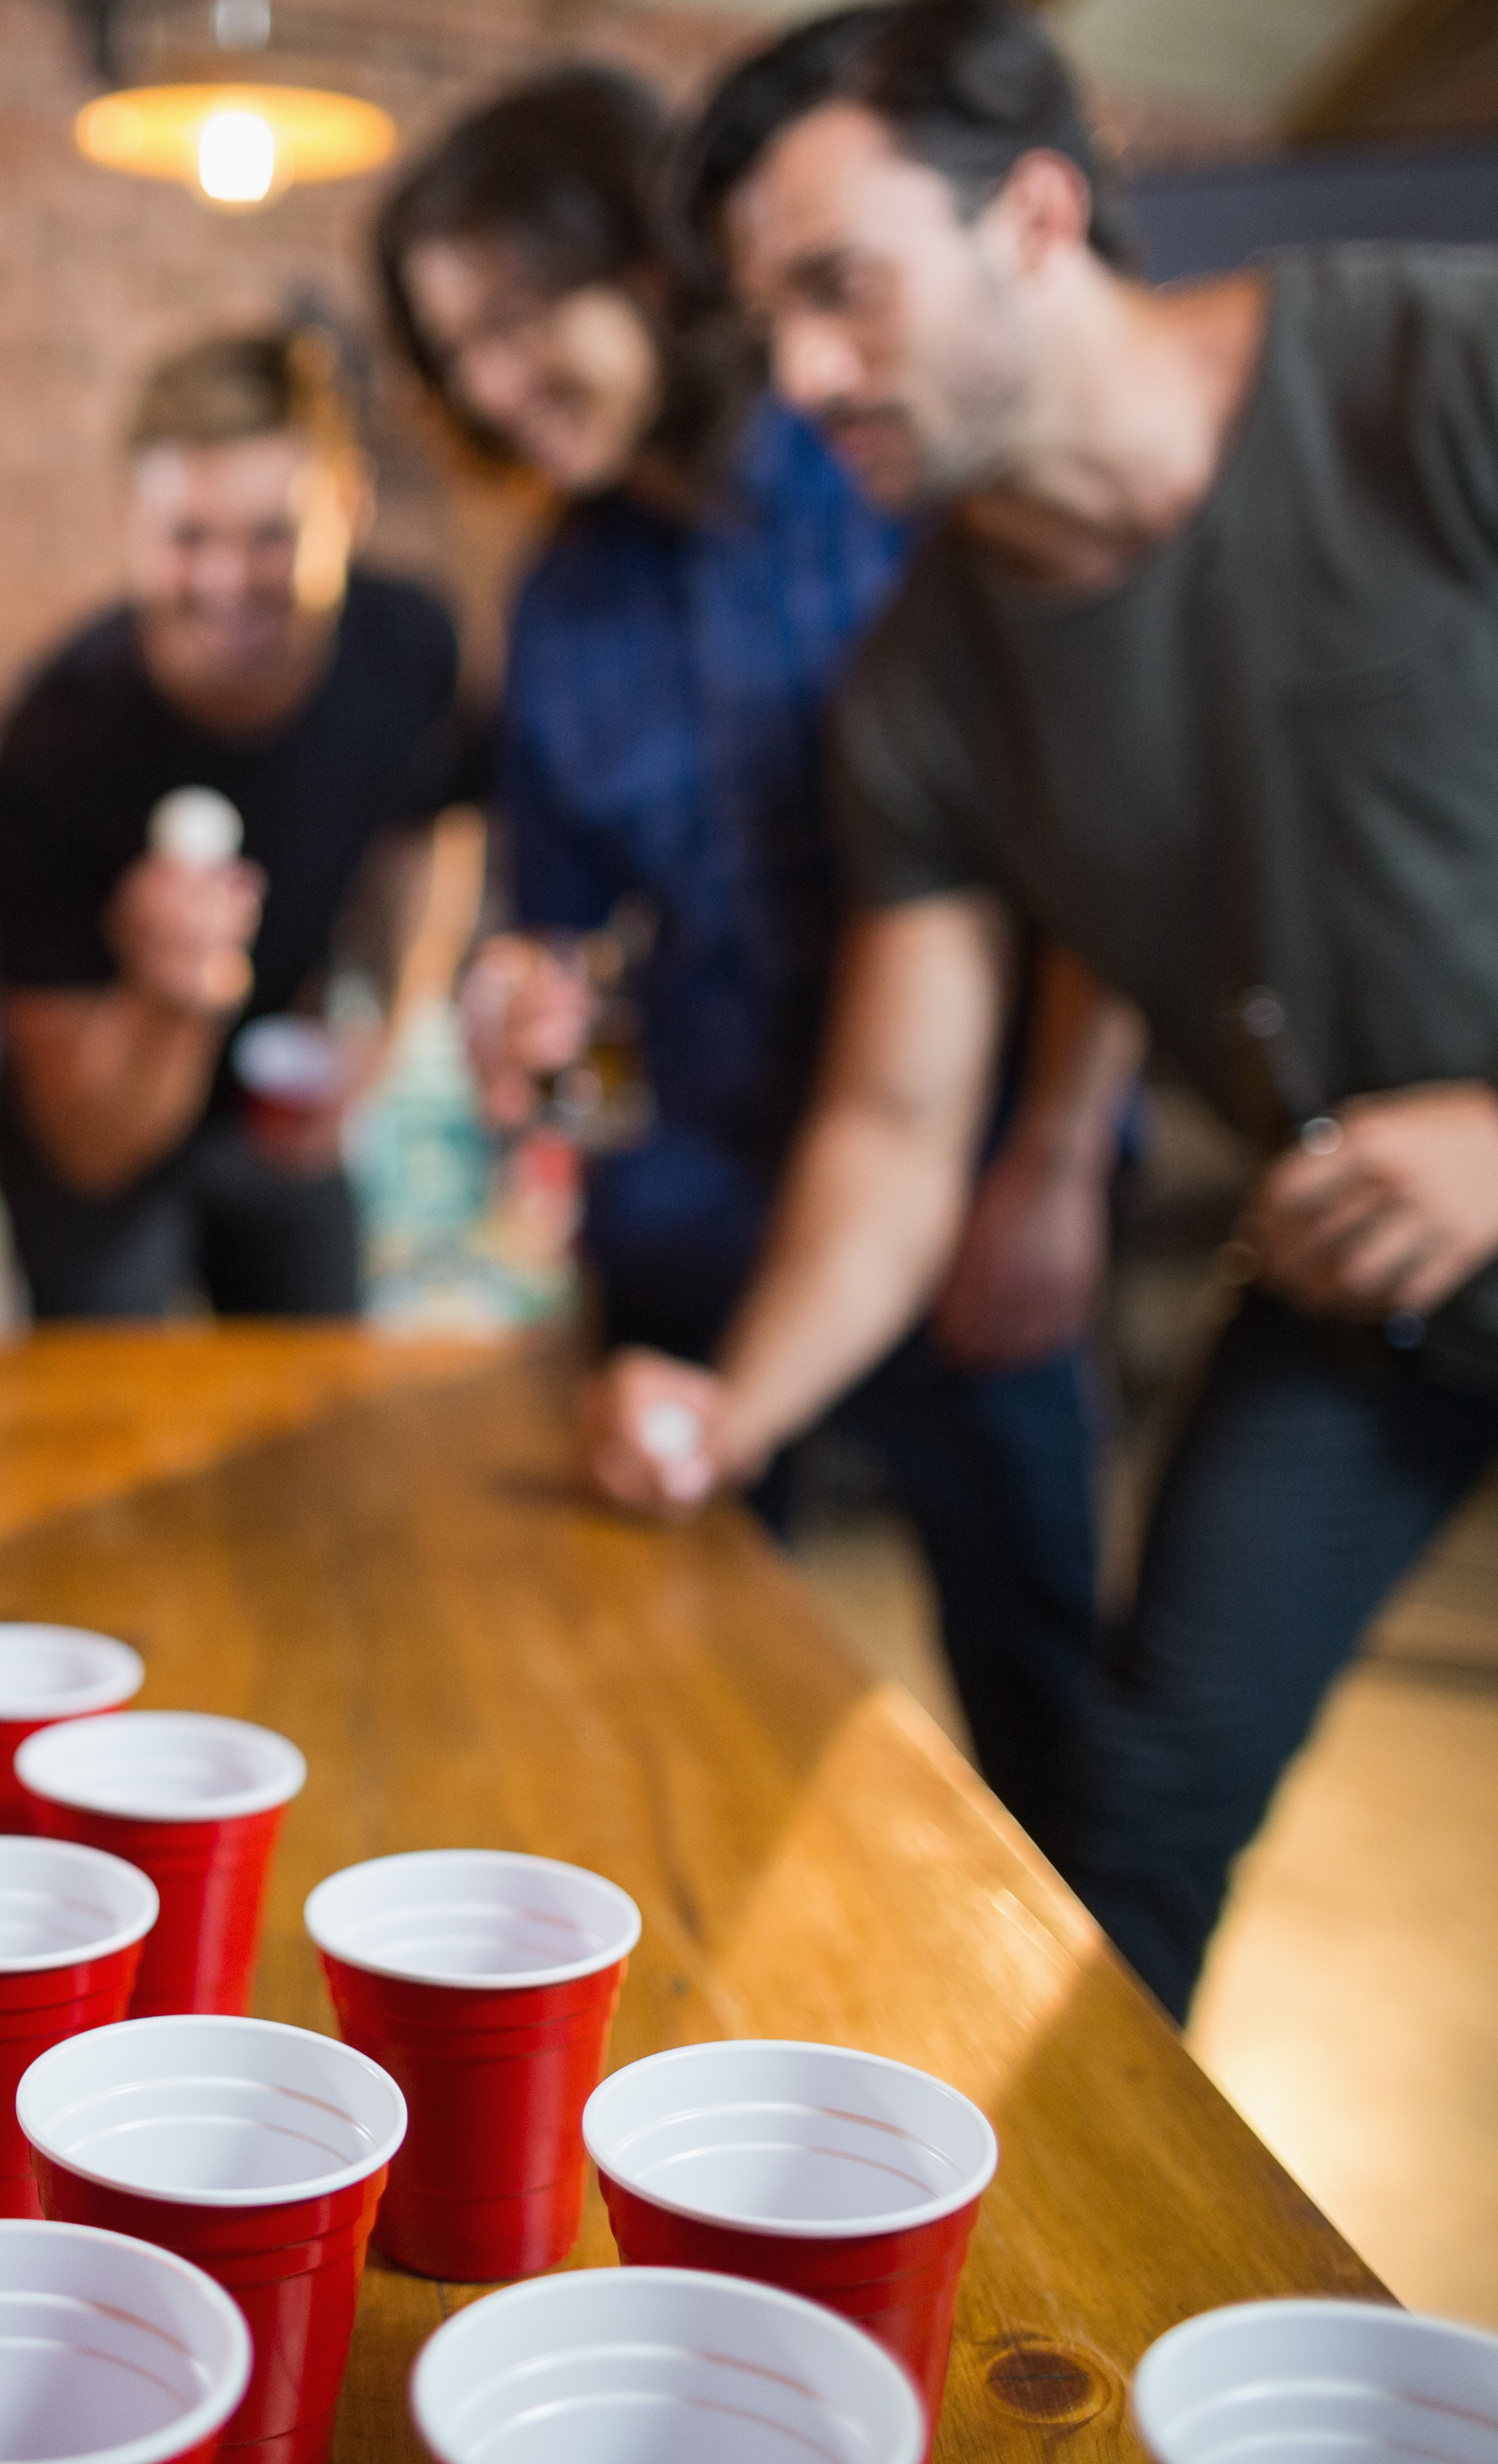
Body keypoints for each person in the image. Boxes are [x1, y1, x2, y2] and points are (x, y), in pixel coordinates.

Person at [646, 6, 1498, 2454]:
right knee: (1137, 1799)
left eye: (844, 288)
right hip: (1386, 1264)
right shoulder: (931, 675)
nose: (806, 374)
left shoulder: (1482, 366)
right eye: (772, 321)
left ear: (1034, 212)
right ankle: (991, 2371)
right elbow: (896, 1121)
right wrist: (727, 1409)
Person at [374, 66, 1129, 1847]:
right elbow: (551, 901)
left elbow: (1099, 851)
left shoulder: (884, 470)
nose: (492, 385)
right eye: (451, 353)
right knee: (672, 1707)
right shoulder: (565, 588)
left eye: (518, 320)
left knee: (1047, 1732)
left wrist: (1060, 1160)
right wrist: (524, 993)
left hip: (963, 1208)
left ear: (650, 262)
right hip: (695, 1221)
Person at [0, 327, 480, 1318]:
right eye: (187, 537)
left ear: (351, 508)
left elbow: (434, 838)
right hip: (105, 1115)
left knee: (310, 1394)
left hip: (278, 1109)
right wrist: (171, 994)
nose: (224, 581)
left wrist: (380, 1033)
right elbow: (89, 1146)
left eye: (270, 536)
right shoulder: (56, 739)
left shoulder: (409, 646)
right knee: (112, 1415)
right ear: (131, 524)